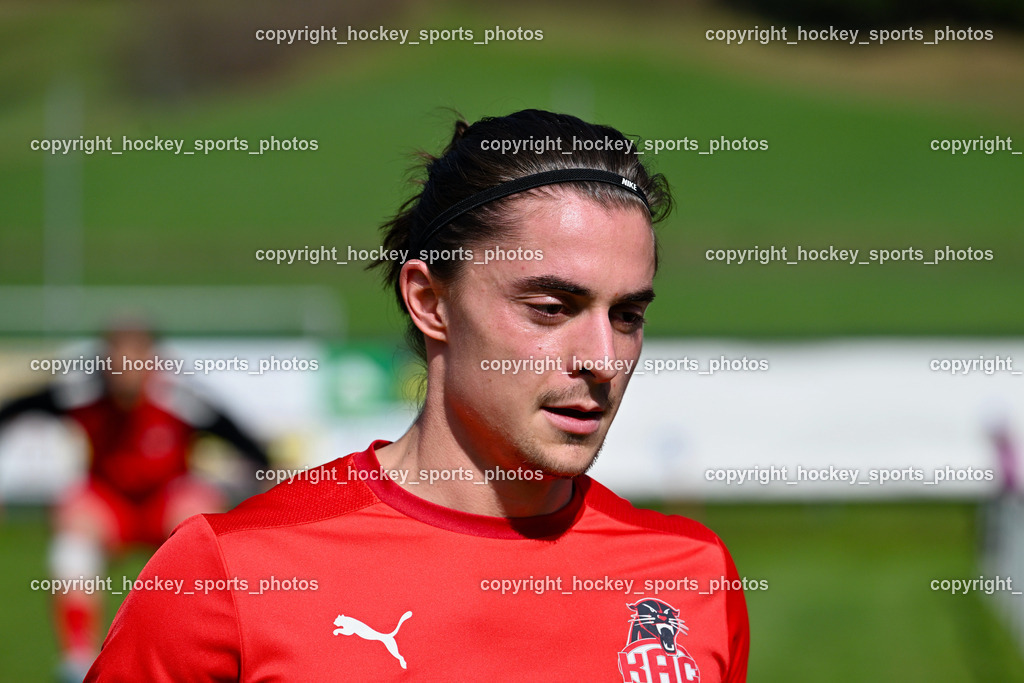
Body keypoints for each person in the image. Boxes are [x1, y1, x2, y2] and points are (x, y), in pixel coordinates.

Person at [86, 109, 749, 682]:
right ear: (430, 301)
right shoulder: (230, 572)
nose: (602, 359)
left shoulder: (689, 576)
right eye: (551, 307)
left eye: (627, 316)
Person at [0, 321, 270, 681]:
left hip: (164, 501)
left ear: (152, 360)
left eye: (134, 359)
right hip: (109, 504)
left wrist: (262, 494)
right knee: (72, 524)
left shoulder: (181, 398)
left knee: (199, 510)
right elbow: (15, 409)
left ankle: (203, 649)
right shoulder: (81, 393)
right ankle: (77, 661)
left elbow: (247, 443)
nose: (125, 371)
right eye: (116, 360)